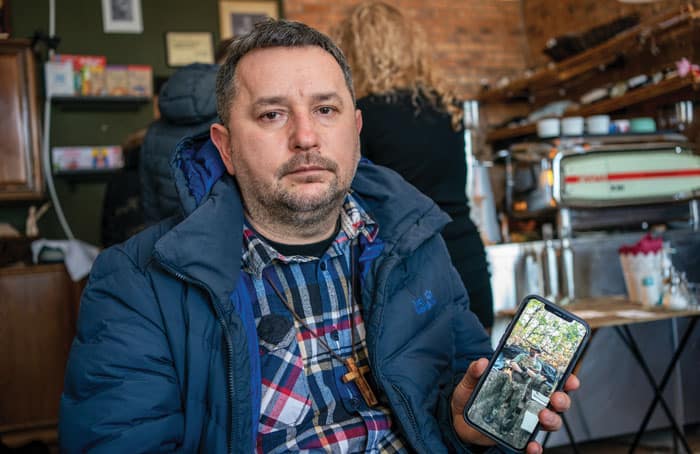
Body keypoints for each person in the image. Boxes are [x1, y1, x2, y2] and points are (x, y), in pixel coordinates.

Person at [59, 19, 578, 453]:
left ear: (355, 130)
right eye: (272, 114)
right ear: (225, 146)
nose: (306, 137)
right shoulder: (137, 283)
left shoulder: (415, 245)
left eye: (325, 110)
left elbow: (447, 407)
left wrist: (463, 426)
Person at [334, 1, 495, 330]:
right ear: (409, 46)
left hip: (407, 266)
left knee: (418, 376)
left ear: (352, 51)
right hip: (465, 252)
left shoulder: (362, 117)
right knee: (478, 368)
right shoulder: (447, 108)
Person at [139, 39, 233, 224]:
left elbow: (148, 199)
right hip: (223, 235)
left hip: (168, 236)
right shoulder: (232, 121)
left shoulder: (154, 130)